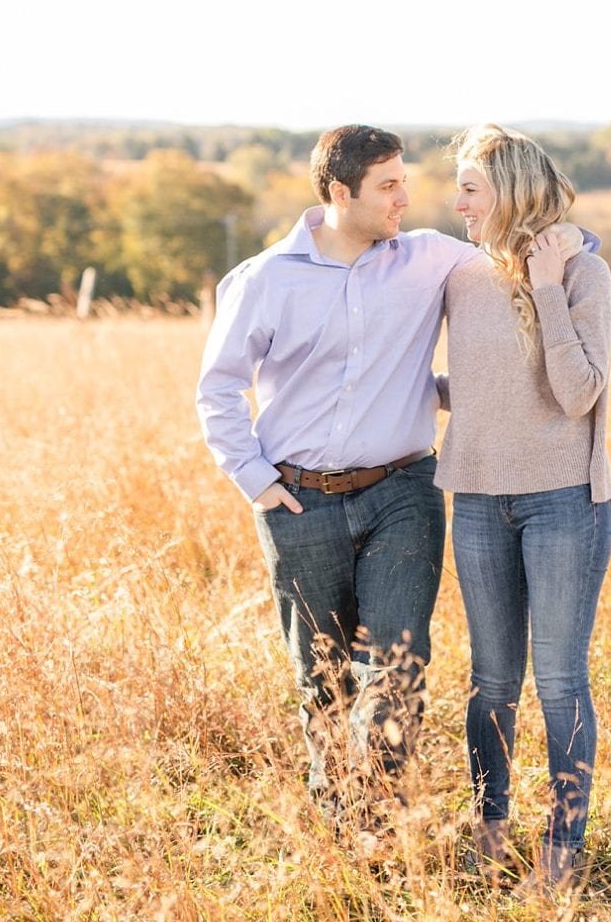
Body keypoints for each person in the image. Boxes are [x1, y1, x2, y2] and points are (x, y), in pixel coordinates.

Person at [195, 124, 584, 834]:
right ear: (340, 192)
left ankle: (380, 826)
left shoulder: (431, 259)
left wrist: (562, 254)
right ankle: (344, 825)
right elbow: (217, 389)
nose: (407, 197)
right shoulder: (264, 280)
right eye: (389, 185)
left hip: (403, 493)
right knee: (324, 680)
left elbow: (516, 265)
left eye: (405, 181)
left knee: (397, 667)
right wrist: (254, 480)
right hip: (297, 500)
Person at [436, 123, 611, 894]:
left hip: (564, 502)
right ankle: (489, 829)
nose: (458, 202)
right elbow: (473, 386)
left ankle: (561, 852)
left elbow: (579, 393)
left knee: (560, 682)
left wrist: (546, 282)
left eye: (471, 188)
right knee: (492, 682)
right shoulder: (457, 276)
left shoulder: (583, 274)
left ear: (506, 191)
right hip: (477, 500)